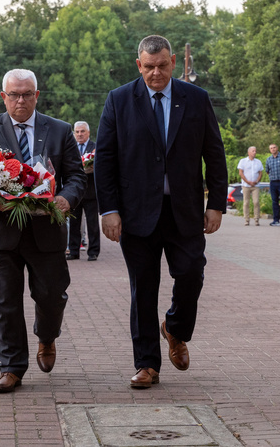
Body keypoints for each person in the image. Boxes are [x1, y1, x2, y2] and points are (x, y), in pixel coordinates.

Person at [95, 35, 228, 390]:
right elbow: (105, 160)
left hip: (184, 212)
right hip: (135, 214)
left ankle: (175, 328)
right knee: (143, 289)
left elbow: (214, 153)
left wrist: (216, 202)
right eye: (149, 67)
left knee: (191, 274)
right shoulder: (119, 100)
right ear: (139, 65)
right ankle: (147, 364)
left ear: (173, 63)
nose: (156, 73)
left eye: (163, 65)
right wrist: (109, 210)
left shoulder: (195, 99)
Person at [0, 69, 86, 393]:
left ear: (37, 95)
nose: (20, 100)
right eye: (14, 95)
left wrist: (65, 198)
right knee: (5, 302)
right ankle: (11, 367)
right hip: (1, 232)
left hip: (45, 230)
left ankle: (47, 336)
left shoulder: (60, 130)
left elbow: (77, 176)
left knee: (52, 296)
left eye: (26, 94)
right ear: (3, 96)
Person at [67, 121, 101, 261]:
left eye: (82, 131)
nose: (80, 134)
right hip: (75, 193)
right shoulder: (70, 147)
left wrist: (94, 167)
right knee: (74, 224)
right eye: (77, 132)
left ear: (88, 133)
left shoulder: (96, 148)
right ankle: (74, 251)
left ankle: (93, 252)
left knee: (92, 224)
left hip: (91, 192)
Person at [238, 146, 264, 226]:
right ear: (249, 152)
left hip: (255, 186)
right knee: (246, 203)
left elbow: (260, 173)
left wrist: (256, 181)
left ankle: (256, 220)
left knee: (256, 202)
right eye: (253, 151)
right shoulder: (243, 161)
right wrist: (248, 181)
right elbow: (241, 173)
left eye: (255, 151)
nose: (255, 152)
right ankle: (246, 220)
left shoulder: (258, 162)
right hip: (246, 185)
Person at [266, 144, 280, 226]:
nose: (273, 149)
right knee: (274, 201)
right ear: (270, 150)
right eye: (271, 148)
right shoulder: (268, 159)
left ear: (277, 148)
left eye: (274, 147)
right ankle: (276, 220)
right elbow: (267, 171)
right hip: (273, 182)